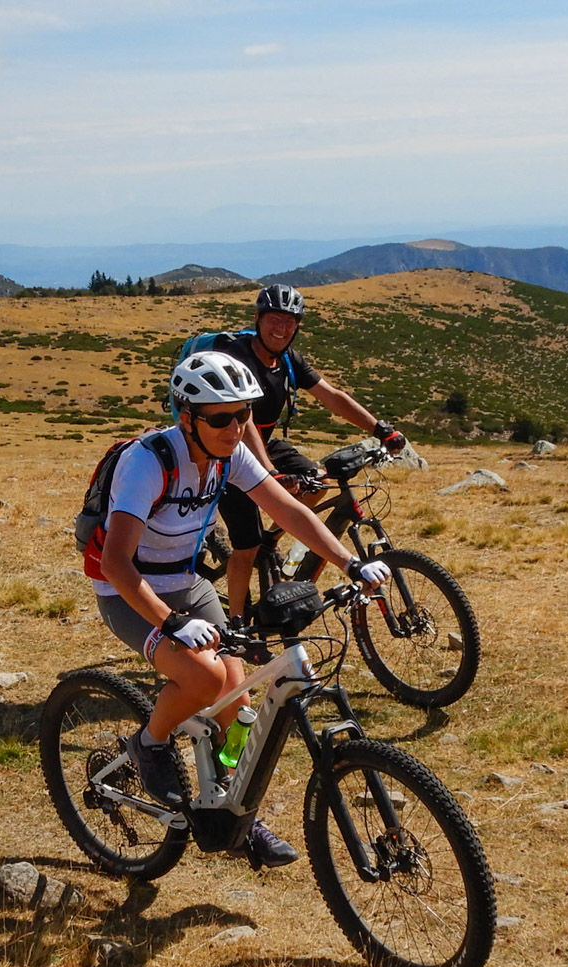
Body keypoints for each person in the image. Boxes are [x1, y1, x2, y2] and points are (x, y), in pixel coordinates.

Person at [94, 350, 390, 868]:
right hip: (130, 591)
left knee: (241, 701)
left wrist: (349, 564)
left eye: (244, 414)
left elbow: (289, 510)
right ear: (186, 417)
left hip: (185, 582)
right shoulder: (148, 462)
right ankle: (151, 742)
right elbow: (117, 562)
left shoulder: (232, 454)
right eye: (221, 417)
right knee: (205, 680)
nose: (236, 427)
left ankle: (236, 814)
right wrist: (170, 622)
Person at [205, 284, 408, 619]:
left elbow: (332, 396)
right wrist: (269, 473)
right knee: (245, 545)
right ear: (257, 319)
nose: (281, 328)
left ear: (297, 326)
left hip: (266, 445)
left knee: (316, 481)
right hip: (228, 451)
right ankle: (237, 626)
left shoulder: (288, 360)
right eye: (274, 319)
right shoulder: (238, 358)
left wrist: (379, 429)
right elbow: (247, 421)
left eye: (290, 321)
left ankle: (272, 537)